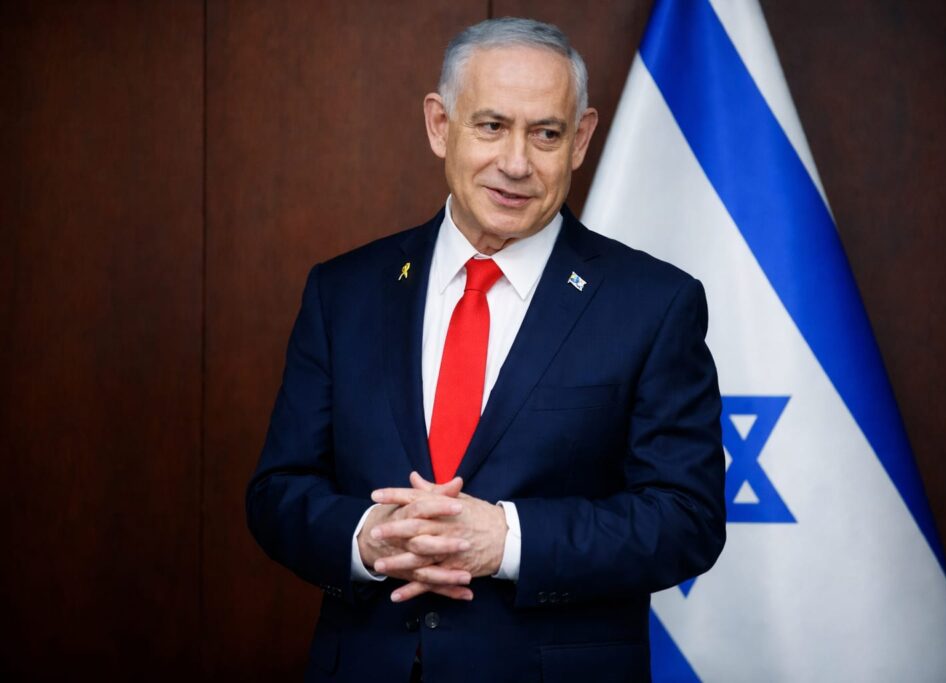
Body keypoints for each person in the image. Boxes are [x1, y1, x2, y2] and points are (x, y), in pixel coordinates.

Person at [246, 17, 725, 683]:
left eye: (546, 133)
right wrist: (365, 538)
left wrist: (508, 540)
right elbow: (277, 492)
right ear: (440, 125)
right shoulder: (343, 292)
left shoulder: (653, 304)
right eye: (492, 126)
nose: (517, 163)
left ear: (581, 138)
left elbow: (686, 518)